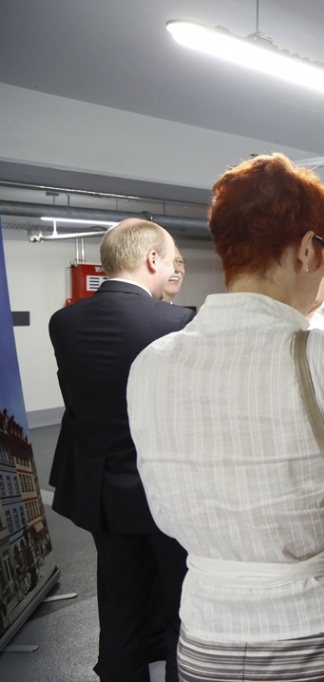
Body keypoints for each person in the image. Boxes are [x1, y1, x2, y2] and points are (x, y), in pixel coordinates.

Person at [126, 153, 324, 682]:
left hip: (201, 635)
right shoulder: (323, 357)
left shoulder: (151, 364)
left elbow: (165, 511)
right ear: (308, 249)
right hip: (312, 634)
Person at [48, 218, 194, 682]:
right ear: (152, 259)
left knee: (118, 600)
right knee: (178, 605)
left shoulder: (63, 322)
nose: (173, 268)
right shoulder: (179, 321)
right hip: (164, 493)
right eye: (172, 259)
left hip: (99, 491)